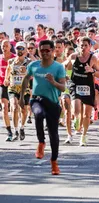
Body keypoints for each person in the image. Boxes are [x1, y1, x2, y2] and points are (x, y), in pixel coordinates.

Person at [20, 40, 66, 175]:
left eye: (47, 50)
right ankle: (41, 142)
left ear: (52, 51)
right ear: (38, 51)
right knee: (38, 114)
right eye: (42, 50)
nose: (44, 53)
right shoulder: (33, 65)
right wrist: (22, 97)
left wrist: (53, 82)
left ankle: (54, 162)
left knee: (54, 135)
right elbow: (26, 79)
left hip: (52, 103)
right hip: (37, 100)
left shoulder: (58, 67)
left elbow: (63, 88)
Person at [64, 37, 99, 146]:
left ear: (90, 46)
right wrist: (65, 73)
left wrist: (92, 70)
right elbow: (64, 65)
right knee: (76, 109)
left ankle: (84, 135)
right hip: (75, 85)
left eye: (86, 45)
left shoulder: (93, 58)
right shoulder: (74, 56)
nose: (83, 47)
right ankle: (76, 119)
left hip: (88, 86)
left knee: (87, 114)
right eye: (81, 45)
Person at [4, 42, 32, 141]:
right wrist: (6, 79)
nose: (19, 50)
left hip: (24, 89)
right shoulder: (11, 61)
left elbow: (33, 76)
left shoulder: (29, 62)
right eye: (17, 48)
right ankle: (15, 130)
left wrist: (26, 72)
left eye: (21, 48)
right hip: (13, 88)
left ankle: (22, 127)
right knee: (15, 107)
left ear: (25, 50)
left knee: (24, 110)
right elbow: (8, 69)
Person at [1, 39, 15, 141]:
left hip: (14, 86)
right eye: (2, 46)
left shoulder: (15, 58)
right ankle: (9, 131)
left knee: (15, 108)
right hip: (2, 85)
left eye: (6, 46)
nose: (4, 48)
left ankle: (17, 128)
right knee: (4, 107)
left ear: (10, 47)